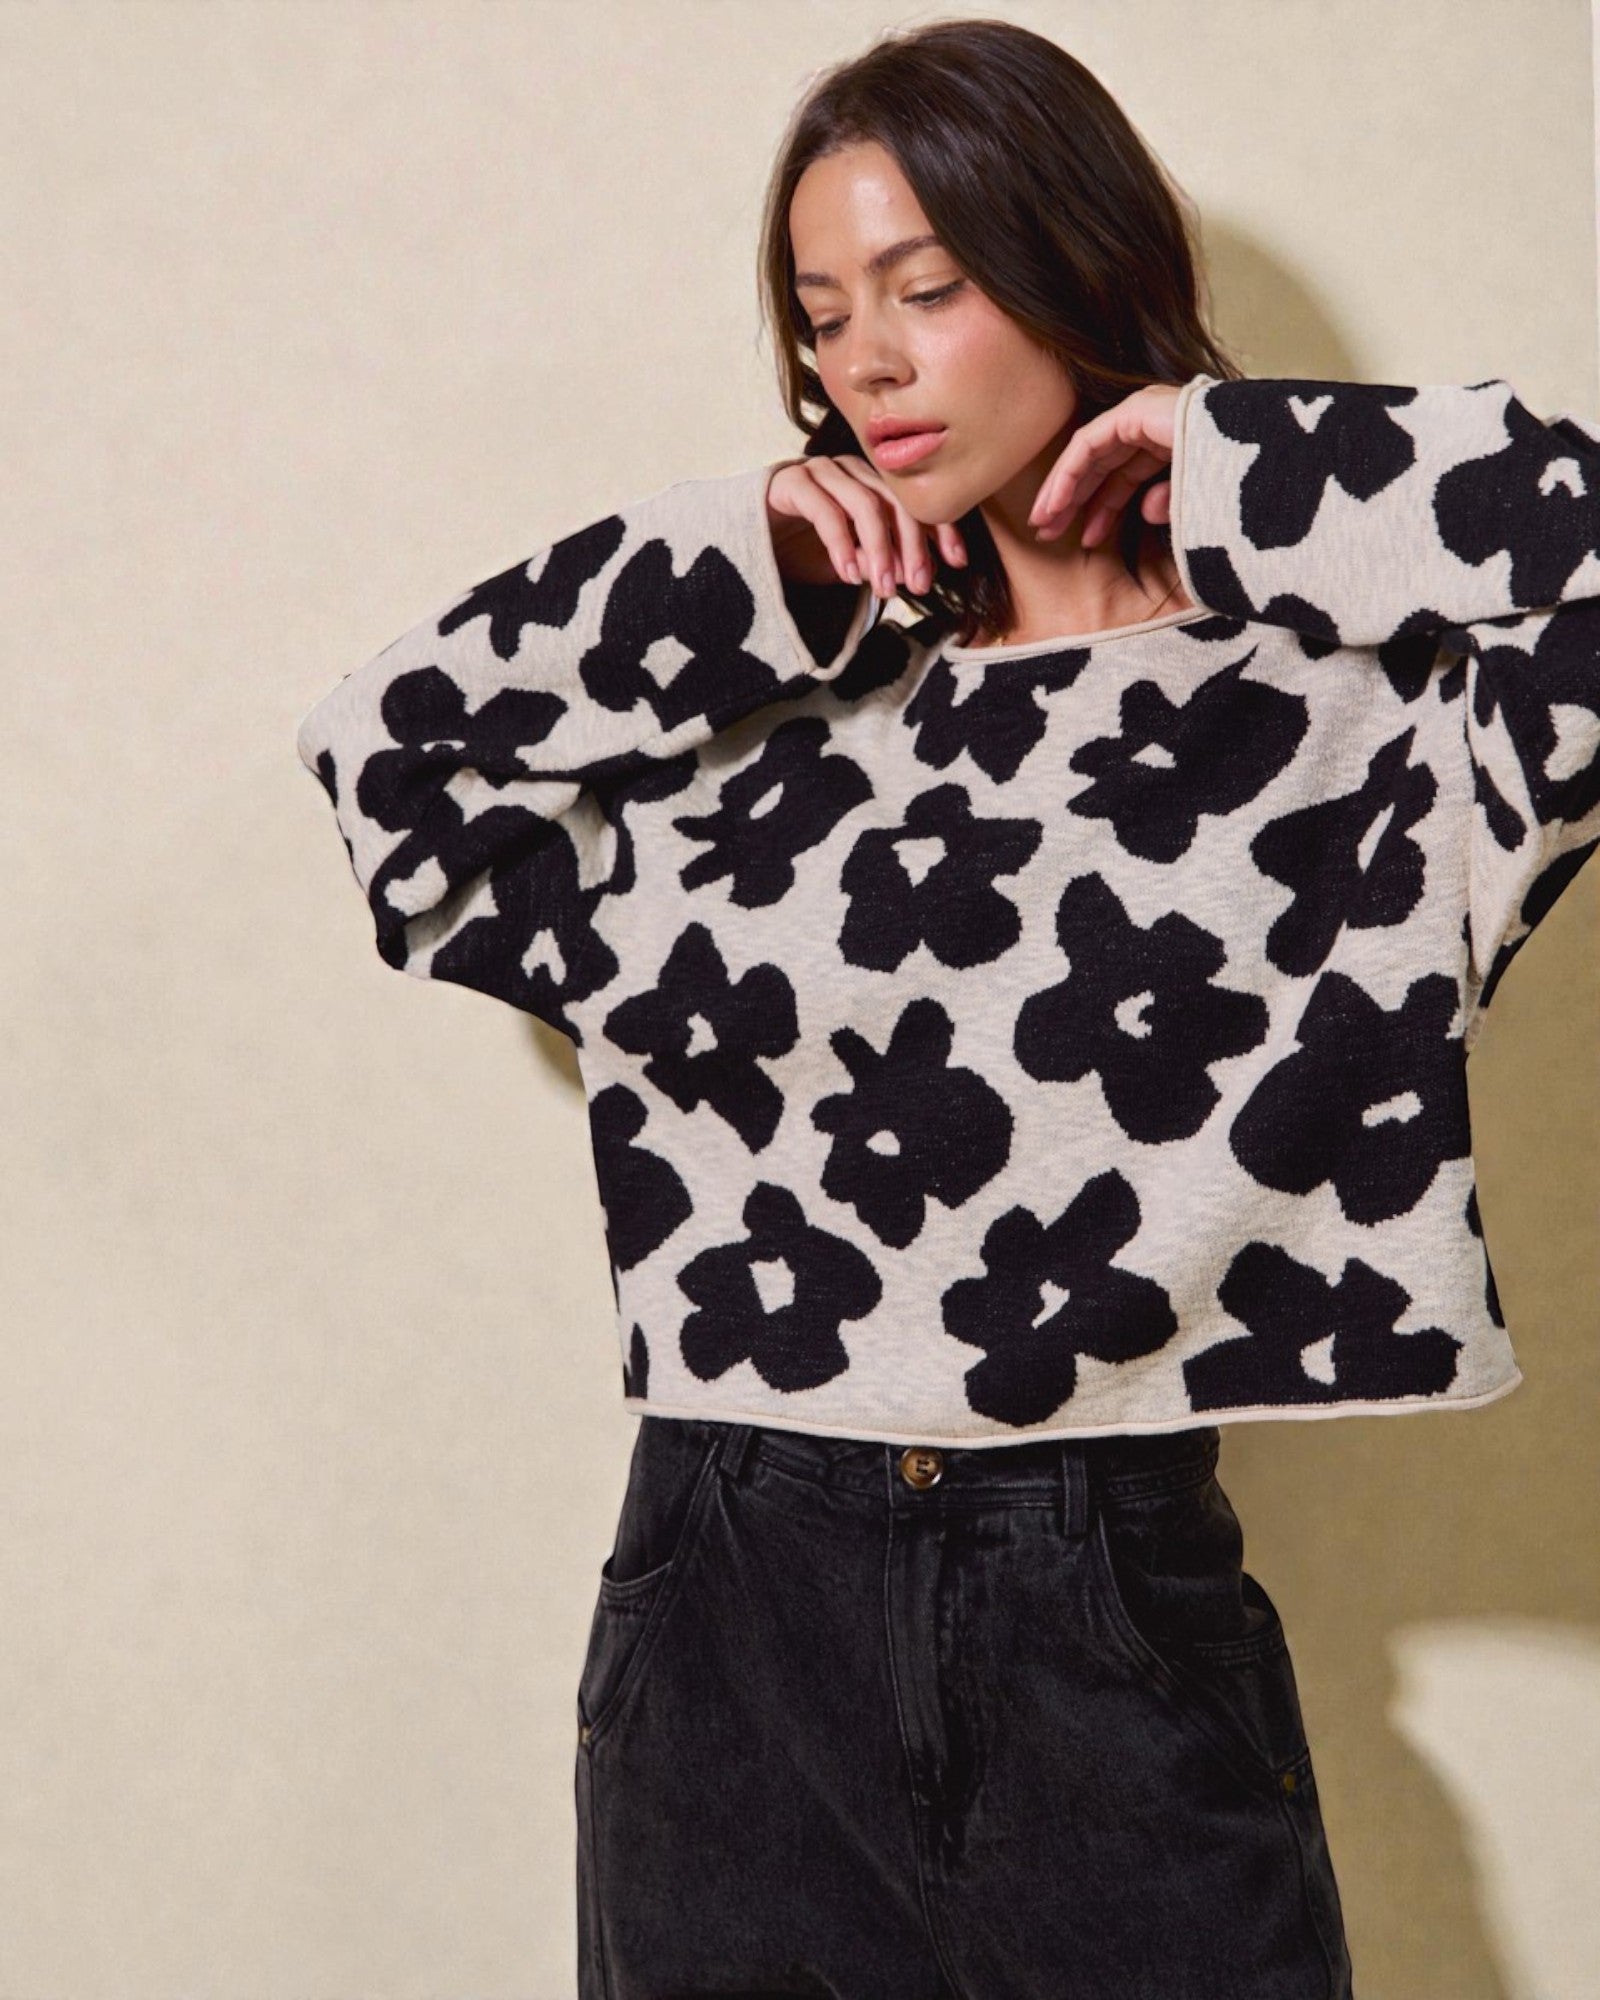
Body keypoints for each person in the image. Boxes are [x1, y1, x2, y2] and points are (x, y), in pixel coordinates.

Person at [293, 18, 1599, 1999]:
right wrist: (732, 564)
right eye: (821, 313)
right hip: (724, 1587)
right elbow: (392, 772)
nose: (868, 363)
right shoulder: (775, 734)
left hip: (1102, 1599)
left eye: (931, 284)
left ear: (1075, 266)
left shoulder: (1350, 738)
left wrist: (1239, 458)